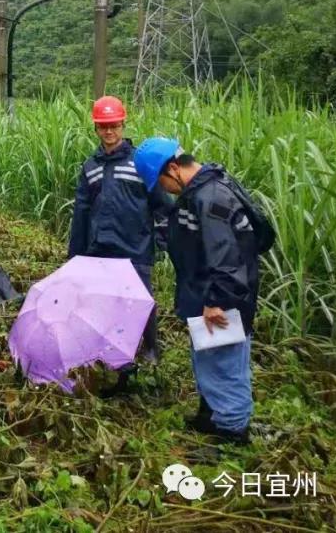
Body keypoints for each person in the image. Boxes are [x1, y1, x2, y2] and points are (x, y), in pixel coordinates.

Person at [135, 137, 274, 445]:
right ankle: (209, 415)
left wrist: (217, 303)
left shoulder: (211, 198)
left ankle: (232, 434)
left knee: (225, 364)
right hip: (203, 294)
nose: (164, 191)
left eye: (161, 182)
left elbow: (227, 258)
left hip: (222, 300)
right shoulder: (199, 191)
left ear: (173, 169)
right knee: (208, 358)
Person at [68, 95, 171, 395]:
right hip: (101, 250)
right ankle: (116, 359)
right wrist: (76, 255)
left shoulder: (140, 163)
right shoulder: (91, 167)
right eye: (103, 127)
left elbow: (161, 206)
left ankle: (151, 350)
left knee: (142, 303)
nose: (109, 132)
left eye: (113, 126)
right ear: (96, 129)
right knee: (108, 306)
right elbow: (82, 213)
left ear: (123, 124)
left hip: (136, 248)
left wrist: (163, 242)